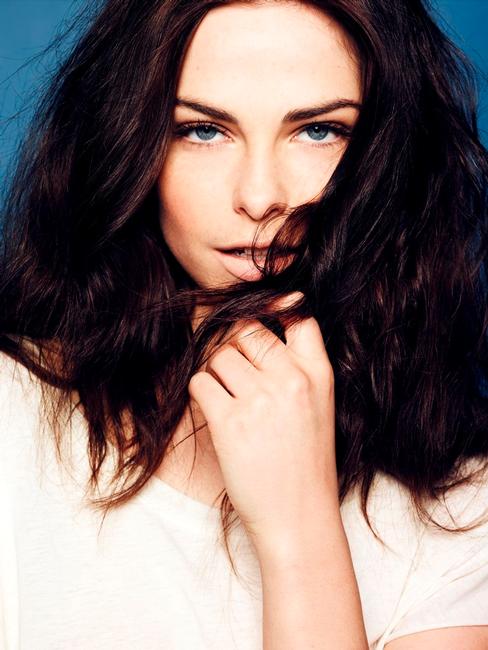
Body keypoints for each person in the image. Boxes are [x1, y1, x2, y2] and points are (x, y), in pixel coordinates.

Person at [1, 0, 488, 647]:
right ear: (129, 140)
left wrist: (299, 529)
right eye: (203, 130)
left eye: (319, 131)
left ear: (388, 151)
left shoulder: (463, 506)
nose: (260, 198)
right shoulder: (11, 414)